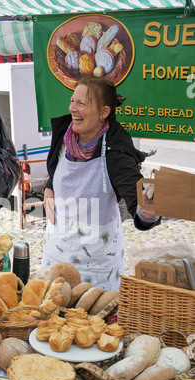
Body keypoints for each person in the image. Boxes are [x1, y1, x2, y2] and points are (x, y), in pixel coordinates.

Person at [41, 76, 161, 290]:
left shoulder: (117, 150)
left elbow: (138, 201)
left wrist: (148, 210)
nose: (73, 109)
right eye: (72, 101)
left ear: (104, 112)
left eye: (82, 104)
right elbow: (56, 169)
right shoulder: (65, 135)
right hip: (56, 252)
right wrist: (49, 188)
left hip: (95, 267)